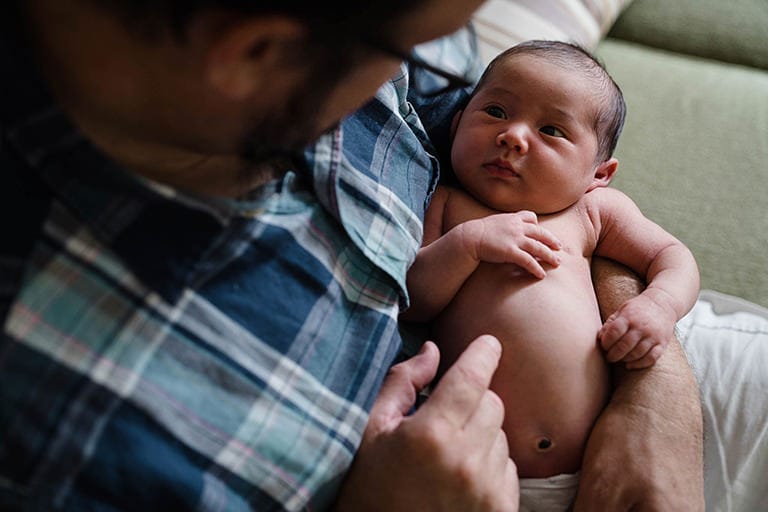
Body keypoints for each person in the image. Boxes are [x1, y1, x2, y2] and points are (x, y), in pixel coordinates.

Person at [0, 1, 704, 510]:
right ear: (255, 52)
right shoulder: (71, 442)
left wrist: (657, 392)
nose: (423, 69)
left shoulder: (359, 34)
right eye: (406, 48)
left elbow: (554, 164)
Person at [403, 40, 699, 508]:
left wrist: (659, 305)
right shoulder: (446, 205)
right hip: (481, 470)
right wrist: (469, 245)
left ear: (599, 173)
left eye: (551, 129)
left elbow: (672, 256)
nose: (513, 136)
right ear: (457, 123)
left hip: (601, 468)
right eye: (496, 111)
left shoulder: (592, 212)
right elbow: (415, 299)